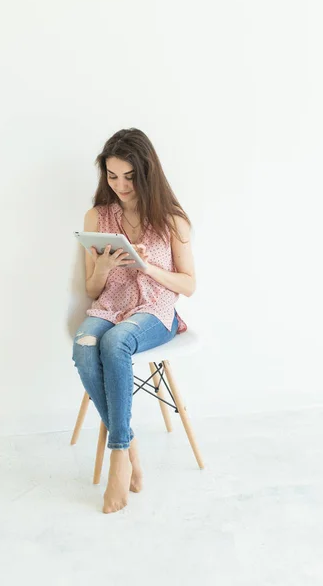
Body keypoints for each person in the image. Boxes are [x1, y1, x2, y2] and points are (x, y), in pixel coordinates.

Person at [72, 128, 196, 514]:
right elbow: (93, 291)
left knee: (114, 343)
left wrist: (149, 267)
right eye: (112, 176)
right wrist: (105, 266)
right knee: (85, 343)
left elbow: (189, 285)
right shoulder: (97, 216)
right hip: (110, 306)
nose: (120, 185)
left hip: (155, 311)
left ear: (146, 172)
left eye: (128, 176)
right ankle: (128, 442)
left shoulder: (172, 219)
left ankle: (118, 457)